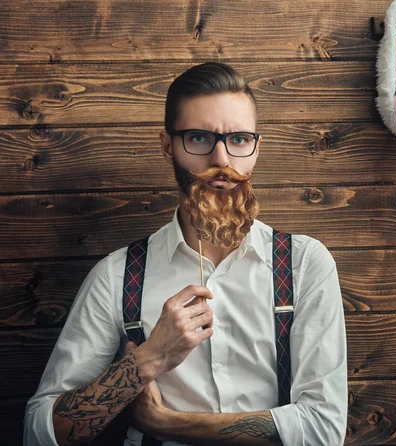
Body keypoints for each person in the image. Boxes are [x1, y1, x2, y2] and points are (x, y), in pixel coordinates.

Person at [23, 62, 348, 446]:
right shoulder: (117, 276)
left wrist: (163, 422)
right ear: (167, 146)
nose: (222, 161)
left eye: (239, 139)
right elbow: (40, 433)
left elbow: (323, 431)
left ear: (256, 147)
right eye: (198, 138)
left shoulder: (304, 265)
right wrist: (148, 360)